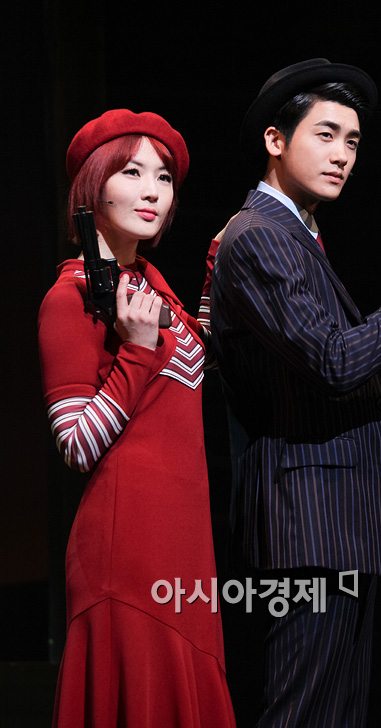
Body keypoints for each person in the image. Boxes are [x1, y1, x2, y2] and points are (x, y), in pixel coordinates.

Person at [201, 58, 381, 726]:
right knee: (302, 714)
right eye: (325, 134)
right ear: (275, 140)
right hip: (307, 527)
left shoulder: (297, 235)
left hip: (335, 525)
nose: (342, 155)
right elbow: (335, 360)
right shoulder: (260, 238)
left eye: (352, 141)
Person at [38, 108, 236, 728]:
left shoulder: (149, 281)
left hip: (185, 538)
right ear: (92, 186)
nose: (152, 190)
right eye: (131, 172)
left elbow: (196, 357)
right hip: (128, 543)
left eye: (164, 177)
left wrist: (219, 263)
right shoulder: (69, 297)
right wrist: (136, 353)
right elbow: (76, 444)